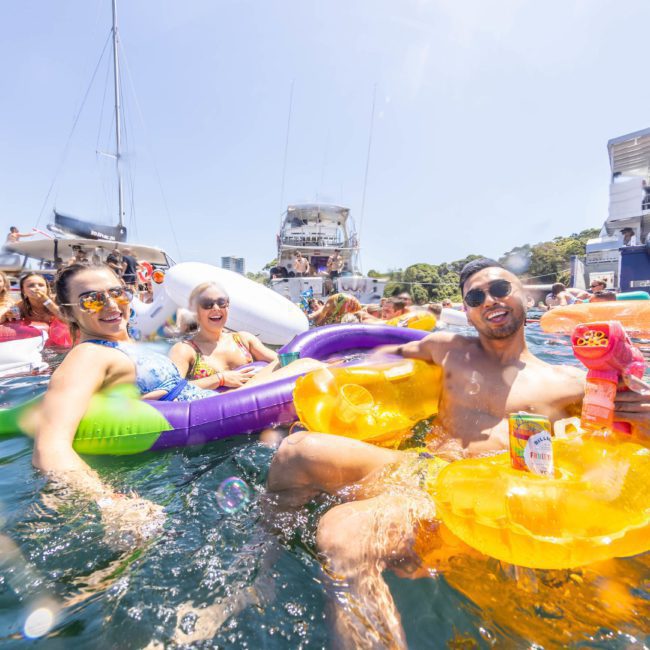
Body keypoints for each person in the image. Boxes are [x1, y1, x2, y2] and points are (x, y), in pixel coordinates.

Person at [266, 259, 586, 646]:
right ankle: (260, 572)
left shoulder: (569, 382)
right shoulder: (447, 348)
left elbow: (609, 444)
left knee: (342, 531)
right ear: (466, 313)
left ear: (524, 295)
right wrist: (300, 363)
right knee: (296, 450)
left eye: (500, 289)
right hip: (420, 465)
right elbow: (376, 355)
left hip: (478, 490)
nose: (489, 300)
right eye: (475, 296)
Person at [29, 263, 222, 544]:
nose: (110, 304)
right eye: (92, 299)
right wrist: (110, 503)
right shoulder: (88, 356)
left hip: (199, 446)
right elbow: (49, 448)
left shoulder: (132, 345)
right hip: (179, 469)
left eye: (117, 293)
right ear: (69, 311)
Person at [169, 282, 321, 389]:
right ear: (195, 310)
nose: (216, 308)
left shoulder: (243, 340)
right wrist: (220, 379)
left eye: (222, 302)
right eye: (207, 304)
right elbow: (170, 391)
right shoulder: (185, 350)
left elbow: (284, 363)